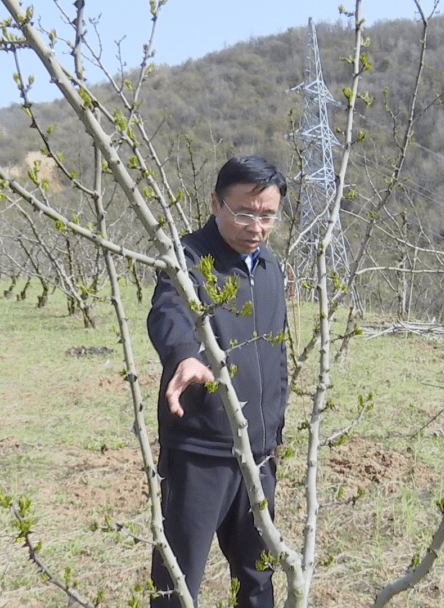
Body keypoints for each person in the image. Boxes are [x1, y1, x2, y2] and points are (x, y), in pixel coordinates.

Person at [148, 155, 288, 608]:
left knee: (257, 577)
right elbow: (169, 311)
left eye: (267, 215)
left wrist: (274, 426)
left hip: (259, 452)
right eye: (245, 212)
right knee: (177, 580)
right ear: (215, 203)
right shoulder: (188, 258)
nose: (256, 226)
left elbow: (277, 352)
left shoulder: (270, 267)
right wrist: (184, 357)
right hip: (200, 452)